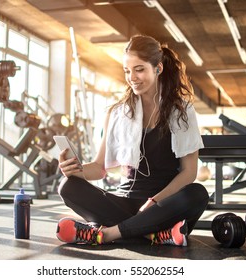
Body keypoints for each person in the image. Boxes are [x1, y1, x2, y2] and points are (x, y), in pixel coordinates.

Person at [55, 34, 209, 246]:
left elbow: (189, 172)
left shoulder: (181, 111)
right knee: (67, 186)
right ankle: (151, 233)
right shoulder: (117, 112)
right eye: (127, 71)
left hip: (162, 205)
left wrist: (154, 202)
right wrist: (75, 170)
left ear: (158, 68)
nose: (132, 77)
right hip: (124, 202)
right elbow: (100, 168)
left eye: (139, 69)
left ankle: (107, 233)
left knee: (197, 194)